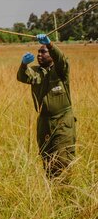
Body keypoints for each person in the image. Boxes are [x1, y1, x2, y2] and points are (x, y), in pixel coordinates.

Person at [17, 34, 76, 179]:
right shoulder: (36, 71)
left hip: (62, 120)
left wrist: (50, 45)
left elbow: (62, 59)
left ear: (51, 54)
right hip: (43, 121)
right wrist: (23, 65)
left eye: (43, 52)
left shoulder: (60, 70)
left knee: (62, 158)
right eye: (38, 52)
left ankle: (65, 189)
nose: (39, 54)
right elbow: (23, 77)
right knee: (47, 157)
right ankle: (51, 189)